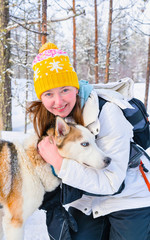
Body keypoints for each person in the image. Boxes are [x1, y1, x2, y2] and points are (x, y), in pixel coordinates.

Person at [28, 42, 150, 240]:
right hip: (88, 199)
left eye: (65, 90)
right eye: (49, 94)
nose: (58, 102)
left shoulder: (109, 113)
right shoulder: (51, 118)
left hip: (129, 198)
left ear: (76, 88)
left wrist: (60, 164)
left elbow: (112, 184)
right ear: (41, 97)